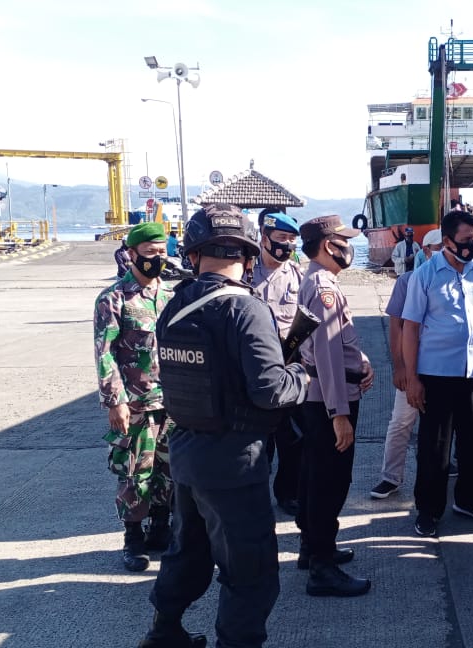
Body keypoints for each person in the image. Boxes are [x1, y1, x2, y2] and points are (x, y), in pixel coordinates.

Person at [138, 204, 309, 648]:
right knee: (250, 572)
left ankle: (164, 633)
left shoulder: (174, 304)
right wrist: (301, 377)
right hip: (235, 463)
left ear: (192, 256)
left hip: (187, 456)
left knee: (187, 552)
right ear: (249, 257)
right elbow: (271, 389)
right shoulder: (246, 309)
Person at [402, 209, 473, 537]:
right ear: (446, 241)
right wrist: (413, 378)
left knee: (472, 441)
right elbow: (410, 328)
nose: (472, 246)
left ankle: (466, 500)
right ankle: (428, 511)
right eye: (465, 241)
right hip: (435, 375)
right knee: (435, 447)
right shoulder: (426, 275)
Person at [297, 215, 376, 596]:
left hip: (326, 395)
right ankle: (322, 569)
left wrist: (359, 362)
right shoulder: (323, 287)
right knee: (330, 482)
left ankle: (315, 549)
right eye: (345, 241)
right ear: (329, 245)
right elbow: (326, 354)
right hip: (330, 401)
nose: (350, 247)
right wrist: (339, 413)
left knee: (317, 477)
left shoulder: (313, 280)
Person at [93, 222, 174, 572]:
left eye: (162, 252)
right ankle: (133, 538)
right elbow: (104, 352)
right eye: (150, 253)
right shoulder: (114, 299)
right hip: (134, 402)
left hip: (170, 402)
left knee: (168, 471)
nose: (158, 259)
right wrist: (116, 401)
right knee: (134, 473)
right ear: (131, 254)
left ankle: (160, 529)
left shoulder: (170, 297)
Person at [370, 228, 441, 499]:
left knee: (443, 426)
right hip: (414, 367)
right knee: (401, 421)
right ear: (426, 251)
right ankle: (390, 477)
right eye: (436, 248)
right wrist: (399, 367)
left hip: (443, 367)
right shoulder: (408, 281)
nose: (442, 253)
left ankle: (445, 467)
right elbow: (396, 326)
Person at [251, 211, 305, 516]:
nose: (286, 246)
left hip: (288, 364)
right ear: (264, 237)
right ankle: (256, 495)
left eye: (291, 240)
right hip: (255, 366)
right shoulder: (246, 272)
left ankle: (288, 493)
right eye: (281, 239)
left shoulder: (296, 274)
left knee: (292, 437)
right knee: (259, 440)